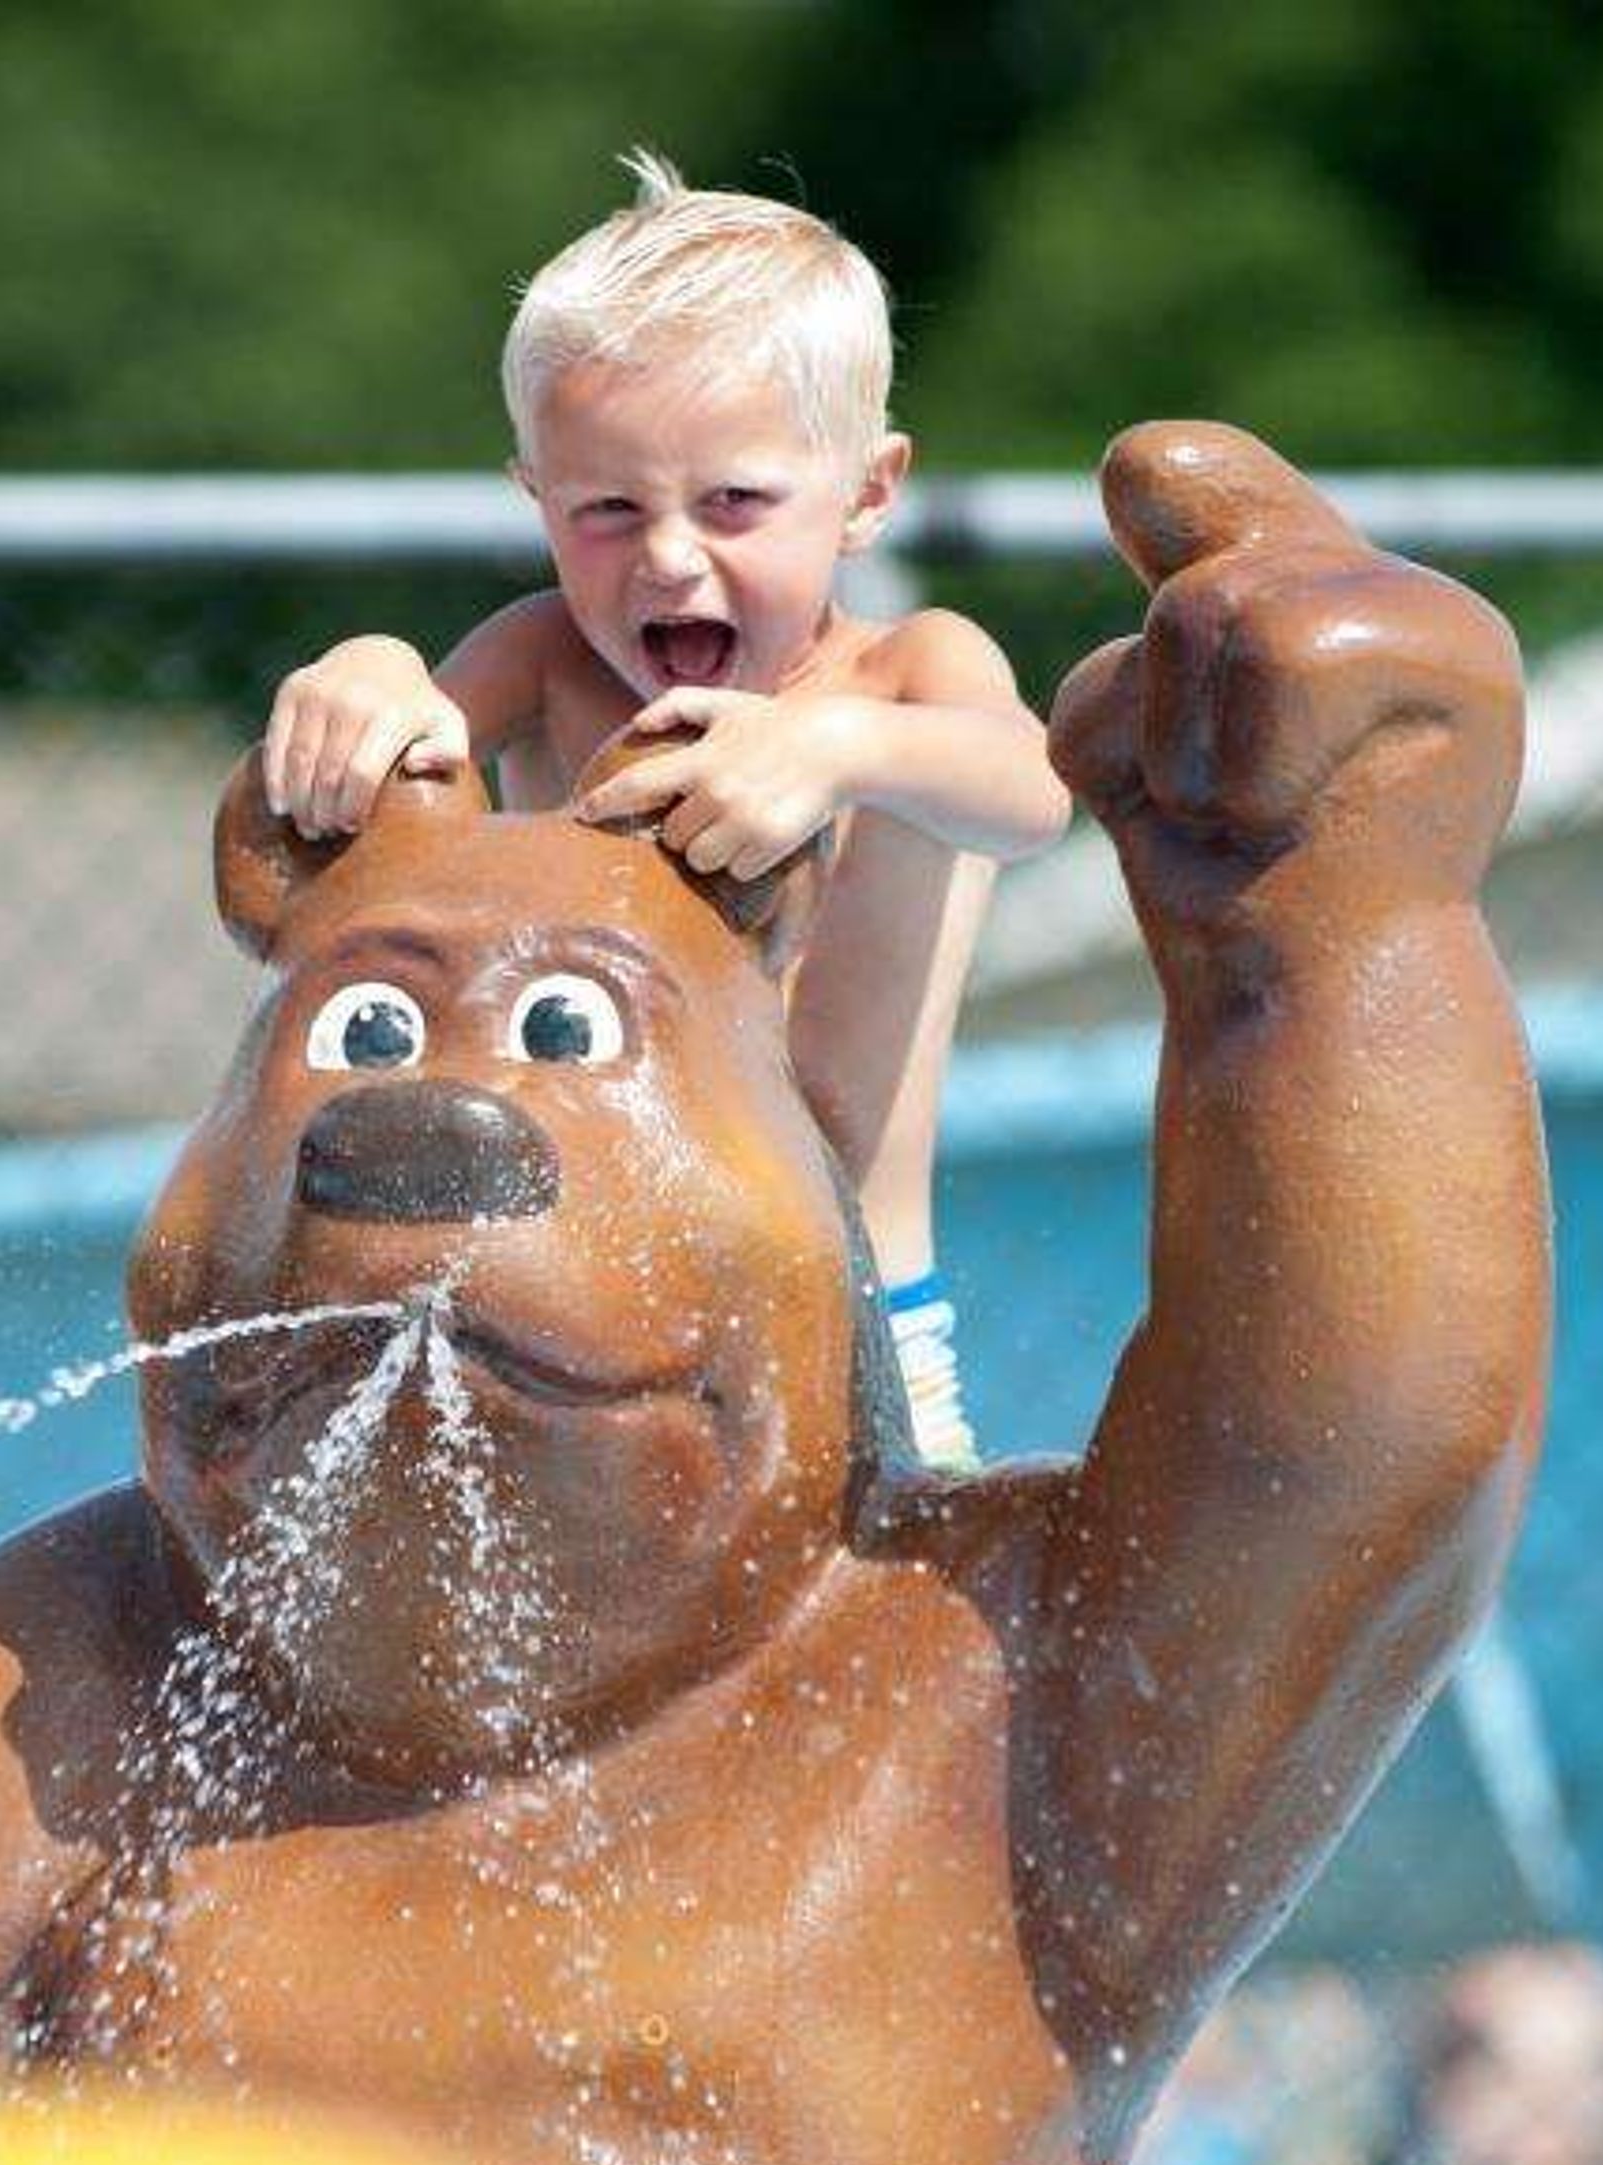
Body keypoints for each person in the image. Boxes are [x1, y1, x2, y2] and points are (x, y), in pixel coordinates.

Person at [258, 150, 1073, 1469]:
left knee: (897, 1652)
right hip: (575, 1310)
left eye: (736, 501)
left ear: (867, 492)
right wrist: (371, 670)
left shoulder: (910, 676)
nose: (671, 555)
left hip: (851, 1315)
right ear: (537, 499)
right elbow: (404, 776)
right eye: (608, 510)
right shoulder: (542, 663)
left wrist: (838, 750)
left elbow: (1035, 792)